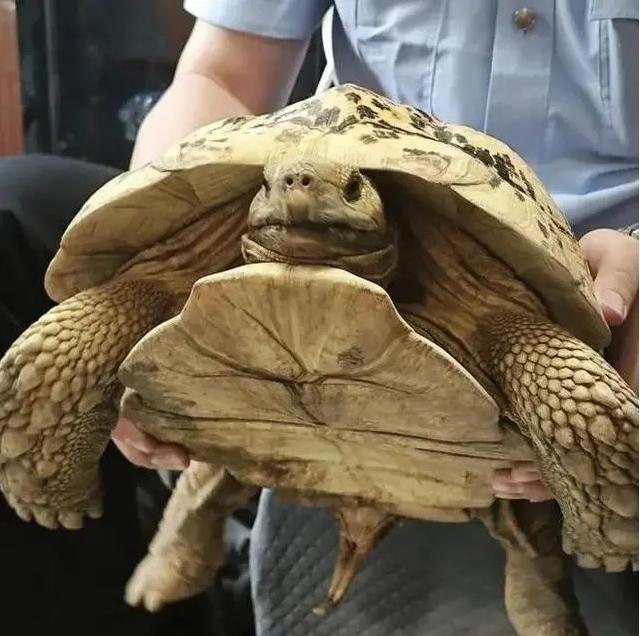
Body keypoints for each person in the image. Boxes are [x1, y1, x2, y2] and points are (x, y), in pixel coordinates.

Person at [109, 2, 638, 634]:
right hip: (315, 251)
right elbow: (223, 76)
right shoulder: (299, 188)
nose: (301, 194)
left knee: (590, 465)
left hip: (591, 287)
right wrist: (149, 263)